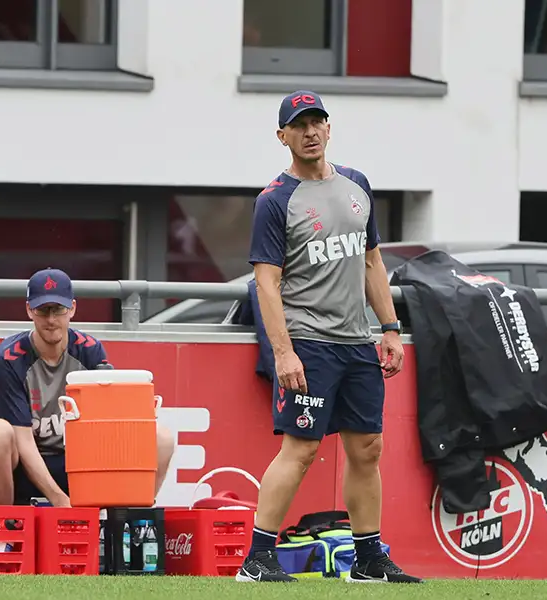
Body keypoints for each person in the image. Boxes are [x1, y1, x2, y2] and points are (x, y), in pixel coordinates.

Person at [236, 90, 421, 584]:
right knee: (301, 450)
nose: (311, 131)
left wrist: (389, 329)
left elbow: (372, 261)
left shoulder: (357, 185)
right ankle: (257, 559)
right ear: (283, 137)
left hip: (356, 343)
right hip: (309, 343)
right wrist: (284, 352)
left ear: (329, 128)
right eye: (300, 125)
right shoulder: (275, 200)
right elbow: (266, 283)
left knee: (368, 448)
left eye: (317, 121)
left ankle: (366, 560)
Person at [0, 268, 177, 508]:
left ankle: (125, 526)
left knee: (160, 437)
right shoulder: (8, 358)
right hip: (22, 466)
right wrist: (59, 499)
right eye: (42, 310)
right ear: (29, 310)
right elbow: (23, 442)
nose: (51, 320)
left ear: (72, 309)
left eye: (58, 310)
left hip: (75, 465)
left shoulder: (90, 350)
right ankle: (4, 533)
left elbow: (105, 428)